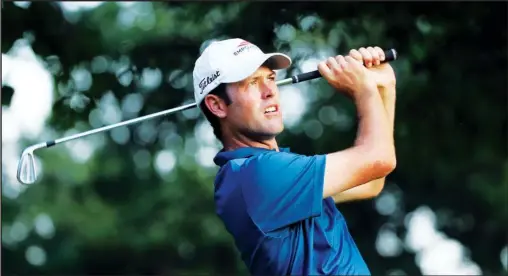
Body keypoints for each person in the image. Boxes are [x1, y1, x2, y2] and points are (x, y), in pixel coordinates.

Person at [192, 38, 397, 275]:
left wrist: (384, 88)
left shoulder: (280, 172)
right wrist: (364, 90)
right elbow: (379, 158)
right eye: (252, 83)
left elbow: (371, 181)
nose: (270, 92)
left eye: (270, 78)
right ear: (217, 105)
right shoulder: (253, 175)